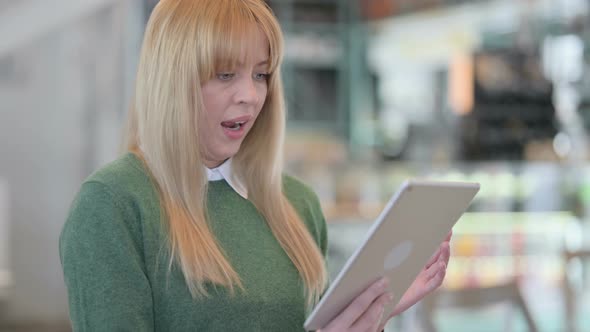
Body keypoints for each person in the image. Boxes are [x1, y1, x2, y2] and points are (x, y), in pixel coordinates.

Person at [59, 0, 451, 331]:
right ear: (171, 80)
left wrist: (376, 309)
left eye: (261, 74)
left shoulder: (296, 205)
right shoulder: (112, 206)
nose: (250, 95)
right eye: (225, 74)